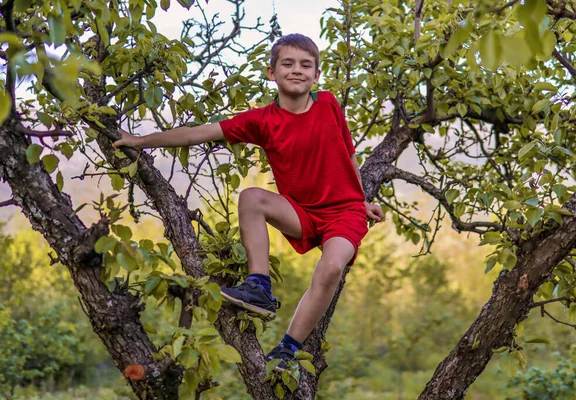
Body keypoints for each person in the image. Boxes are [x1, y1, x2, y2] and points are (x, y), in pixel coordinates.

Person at [113, 33, 383, 369]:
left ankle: (287, 348)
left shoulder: (328, 104)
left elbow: (350, 154)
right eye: (287, 63)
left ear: (316, 75)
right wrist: (141, 140)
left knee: (330, 269)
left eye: (305, 65)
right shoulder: (261, 121)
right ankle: (259, 286)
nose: (296, 70)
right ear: (272, 73)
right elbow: (199, 133)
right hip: (301, 213)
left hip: (344, 214)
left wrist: (362, 200)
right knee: (252, 197)